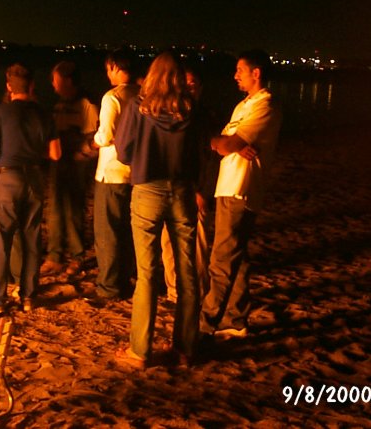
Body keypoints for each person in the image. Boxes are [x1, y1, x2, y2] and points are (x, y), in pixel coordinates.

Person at [114, 52, 200, 368]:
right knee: (187, 270)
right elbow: (200, 151)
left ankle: (140, 350)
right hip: (182, 190)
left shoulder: (138, 106)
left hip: (148, 189)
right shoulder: (191, 108)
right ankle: (185, 348)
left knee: (147, 271)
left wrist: (142, 155)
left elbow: (123, 152)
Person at [200, 50, 282, 339]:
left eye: (240, 71)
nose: (235, 76)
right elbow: (223, 142)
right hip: (228, 186)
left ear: (256, 73)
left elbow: (226, 144)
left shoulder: (265, 106)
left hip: (241, 189)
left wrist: (227, 144)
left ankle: (205, 324)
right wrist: (226, 143)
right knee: (237, 256)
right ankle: (235, 319)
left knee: (222, 259)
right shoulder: (243, 106)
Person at [0, 63, 61, 316]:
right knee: (31, 239)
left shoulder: (1, 112)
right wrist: (34, 154)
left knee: (1, 241)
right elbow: (55, 153)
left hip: (8, 177)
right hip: (34, 178)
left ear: (9, 87)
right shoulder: (44, 114)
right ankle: (28, 296)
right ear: (31, 86)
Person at [160, 65, 220, 301]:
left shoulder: (207, 118)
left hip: (196, 190)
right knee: (168, 242)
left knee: (198, 246)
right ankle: (174, 291)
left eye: (193, 83)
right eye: (184, 84)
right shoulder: (170, 115)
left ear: (201, 88)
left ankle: (197, 292)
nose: (188, 88)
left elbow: (213, 158)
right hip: (171, 188)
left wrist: (204, 192)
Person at [40, 61, 98, 276]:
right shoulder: (59, 105)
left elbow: (96, 138)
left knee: (74, 210)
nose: (53, 85)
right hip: (58, 162)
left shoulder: (87, 104)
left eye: (56, 80)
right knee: (55, 209)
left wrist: (80, 155)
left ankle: (77, 256)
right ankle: (54, 256)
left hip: (77, 164)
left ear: (68, 80)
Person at [91, 49, 139, 300]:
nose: (107, 74)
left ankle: (109, 286)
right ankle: (127, 277)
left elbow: (105, 136)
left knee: (107, 232)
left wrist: (91, 142)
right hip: (136, 172)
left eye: (108, 69)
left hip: (111, 172)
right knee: (128, 230)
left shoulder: (113, 98)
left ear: (115, 67)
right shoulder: (142, 95)